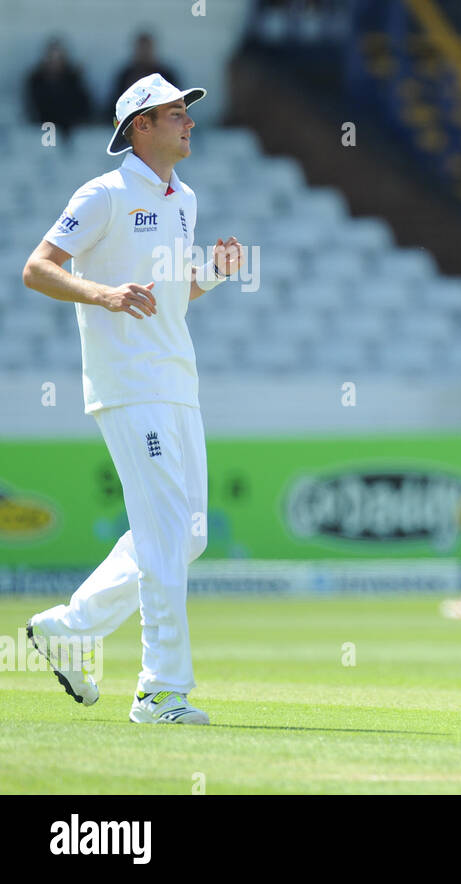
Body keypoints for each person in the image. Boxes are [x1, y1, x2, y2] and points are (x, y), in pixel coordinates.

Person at [23, 73, 245, 725]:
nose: (189, 122)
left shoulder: (185, 200)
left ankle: (70, 626)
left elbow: (175, 293)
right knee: (167, 532)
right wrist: (104, 292)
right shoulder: (105, 194)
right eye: (177, 113)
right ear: (140, 127)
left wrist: (214, 274)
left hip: (177, 379)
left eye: (187, 112)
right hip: (128, 383)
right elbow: (39, 267)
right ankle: (161, 691)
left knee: (190, 535)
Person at [107, 33, 181, 120]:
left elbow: (178, 104)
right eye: (141, 48)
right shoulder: (125, 75)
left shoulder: (167, 75)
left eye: (147, 48)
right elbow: (114, 105)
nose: (144, 52)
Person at [25, 39, 92, 132]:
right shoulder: (36, 80)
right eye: (52, 58)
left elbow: (83, 106)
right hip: (42, 130)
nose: (55, 63)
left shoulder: (73, 80)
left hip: (71, 128)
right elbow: (35, 107)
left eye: (59, 59)